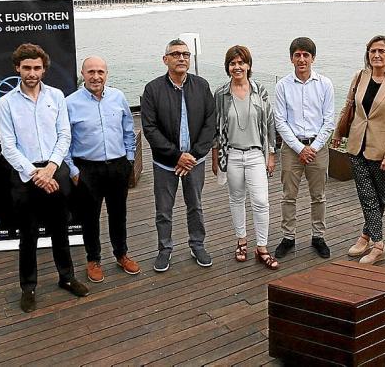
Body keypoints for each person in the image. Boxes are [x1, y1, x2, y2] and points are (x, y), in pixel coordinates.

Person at [0, 43, 88, 313]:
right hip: (26, 176)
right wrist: (35, 173)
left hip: (54, 169)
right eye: (27, 68)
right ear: (17, 68)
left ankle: (67, 277)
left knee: (61, 230)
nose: (32, 73)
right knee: (28, 236)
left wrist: (50, 168)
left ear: (44, 69)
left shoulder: (57, 96)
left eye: (37, 68)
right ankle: (28, 287)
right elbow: (8, 146)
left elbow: (64, 135)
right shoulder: (6, 102)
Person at [331, 35, 385, 264]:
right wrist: (337, 134)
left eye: (381, 51)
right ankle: (378, 244)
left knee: (378, 198)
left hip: (381, 151)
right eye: (372, 51)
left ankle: (367, 237)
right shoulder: (360, 76)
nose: (376, 55)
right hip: (356, 146)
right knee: (367, 196)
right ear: (368, 54)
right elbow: (348, 106)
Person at [141, 39, 216, 272]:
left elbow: (210, 123)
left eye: (185, 54)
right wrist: (176, 156)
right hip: (165, 164)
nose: (181, 58)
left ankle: (197, 245)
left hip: (195, 161)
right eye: (175, 54)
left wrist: (192, 155)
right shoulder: (152, 89)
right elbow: (150, 129)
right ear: (166, 60)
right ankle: (165, 249)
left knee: (196, 205)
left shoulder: (202, 86)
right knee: (164, 209)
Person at [65, 56, 140, 283]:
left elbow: (129, 130)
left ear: (106, 73)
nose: (96, 76)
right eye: (91, 72)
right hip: (87, 169)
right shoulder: (70, 103)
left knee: (119, 214)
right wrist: (73, 170)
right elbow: (64, 139)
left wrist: (129, 160)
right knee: (90, 217)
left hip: (118, 166)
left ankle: (121, 254)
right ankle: (93, 259)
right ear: (83, 73)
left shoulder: (118, 97)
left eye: (100, 72)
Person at [211, 45, 278, 270]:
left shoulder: (260, 90)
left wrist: (271, 154)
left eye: (241, 62)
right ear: (228, 67)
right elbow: (215, 129)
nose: (237, 67)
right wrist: (215, 158)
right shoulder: (220, 93)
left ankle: (262, 247)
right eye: (233, 63)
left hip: (255, 154)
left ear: (248, 65)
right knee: (236, 199)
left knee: (261, 201)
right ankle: (241, 241)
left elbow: (270, 124)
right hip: (231, 156)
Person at [274, 37, 335, 259]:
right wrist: (300, 148)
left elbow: (329, 121)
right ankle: (288, 236)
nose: (302, 59)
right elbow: (280, 121)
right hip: (292, 149)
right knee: (288, 195)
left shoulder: (325, 84)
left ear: (313, 58)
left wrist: (314, 146)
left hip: (318, 148)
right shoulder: (282, 85)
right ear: (291, 58)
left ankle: (318, 236)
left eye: (306, 55)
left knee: (318, 195)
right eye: (297, 55)